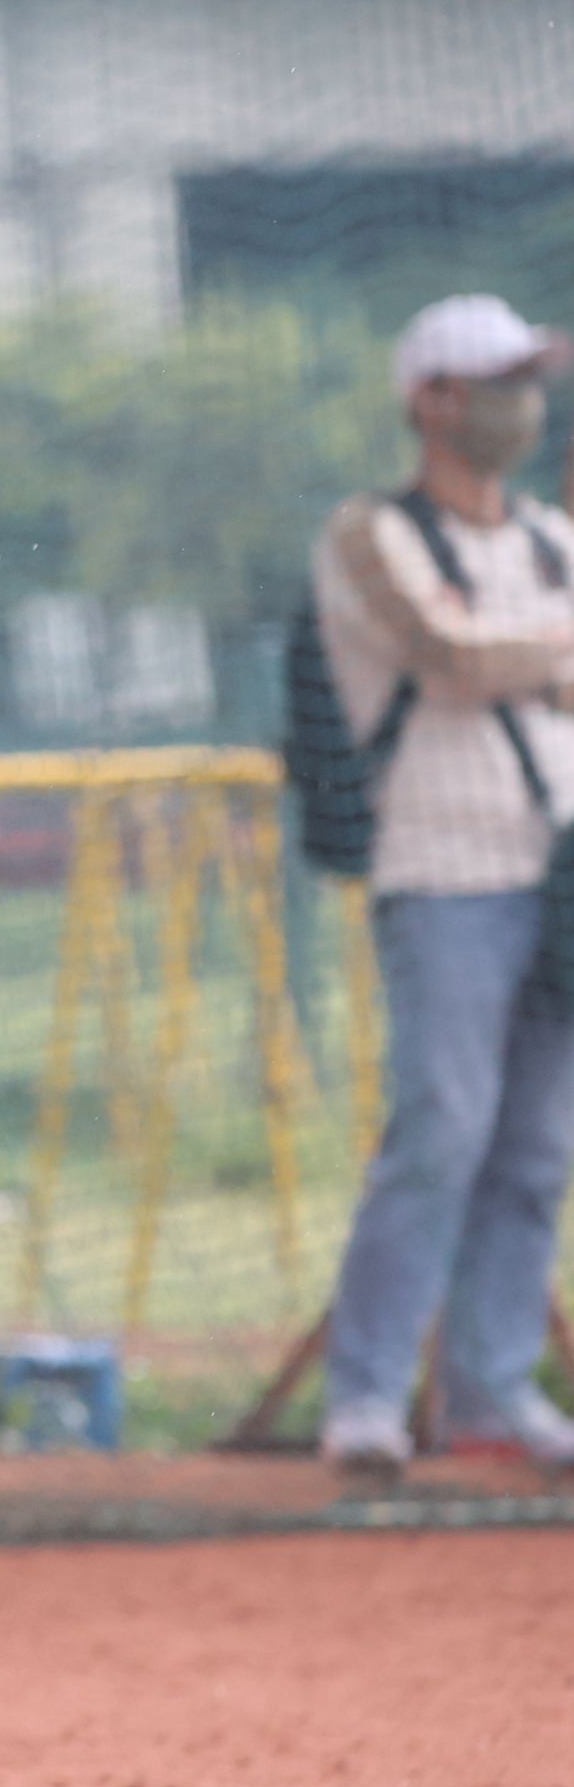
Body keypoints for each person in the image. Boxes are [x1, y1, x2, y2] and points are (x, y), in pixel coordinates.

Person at [308, 291, 574, 1475]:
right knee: (439, 1131)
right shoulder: (369, 533)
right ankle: (365, 1397)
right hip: (441, 872)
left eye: (528, 380)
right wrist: (540, 657)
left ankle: (490, 1393)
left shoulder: (548, 539)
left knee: (534, 1150)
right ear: (428, 400)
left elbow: (488, 656)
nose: (521, 404)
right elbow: (444, 656)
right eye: (495, 383)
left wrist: (517, 656)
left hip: (552, 870)